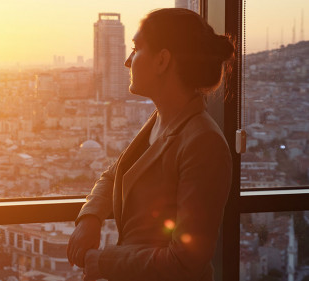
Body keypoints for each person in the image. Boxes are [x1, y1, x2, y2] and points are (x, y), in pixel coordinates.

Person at [67, 8, 234, 281]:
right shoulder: (161, 120)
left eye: (136, 49)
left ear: (162, 60)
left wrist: (104, 261)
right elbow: (115, 174)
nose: (127, 61)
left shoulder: (204, 143)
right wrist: (90, 218)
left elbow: (184, 261)